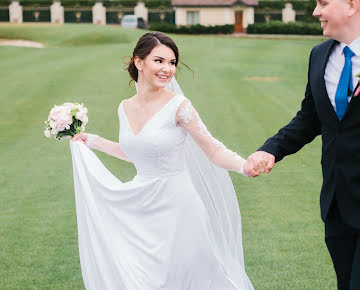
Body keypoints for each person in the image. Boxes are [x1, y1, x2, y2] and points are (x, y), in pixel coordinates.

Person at [244, 0, 360, 289]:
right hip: (338, 206)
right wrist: (270, 148)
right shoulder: (319, 55)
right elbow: (310, 118)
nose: (315, 12)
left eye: (322, 3)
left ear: (350, 5)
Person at [70, 32, 253, 289]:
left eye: (172, 62)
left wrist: (244, 165)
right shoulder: (124, 107)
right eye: (159, 61)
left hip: (178, 207)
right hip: (142, 203)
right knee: (144, 277)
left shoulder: (179, 106)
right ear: (139, 62)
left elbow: (212, 149)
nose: (167, 69)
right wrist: (91, 141)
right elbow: (134, 152)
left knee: (184, 278)